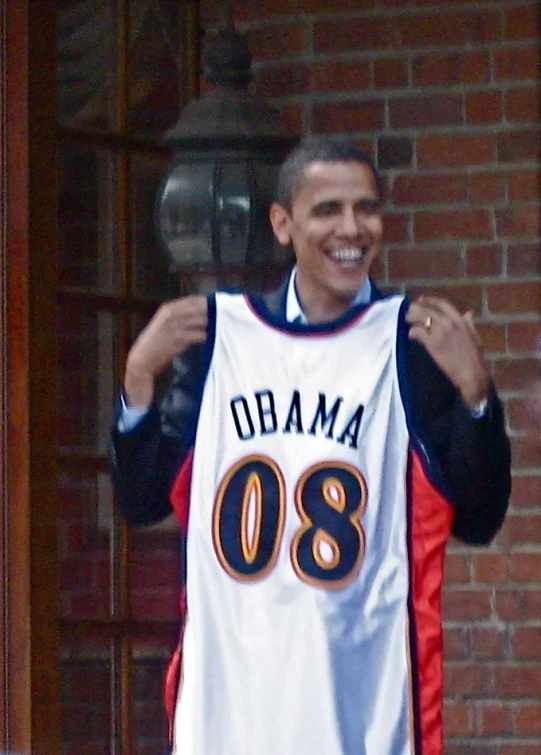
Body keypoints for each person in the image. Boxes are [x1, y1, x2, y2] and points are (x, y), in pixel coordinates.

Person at [109, 136, 511, 755]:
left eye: (367, 208)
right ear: (281, 224)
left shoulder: (409, 347)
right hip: (231, 711)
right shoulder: (218, 341)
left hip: (362, 709)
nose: (351, 228)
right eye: (327, 209)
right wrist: (138, 380)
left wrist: (475, 397)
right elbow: (142, 502)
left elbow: (479, 519)